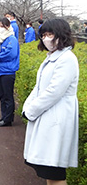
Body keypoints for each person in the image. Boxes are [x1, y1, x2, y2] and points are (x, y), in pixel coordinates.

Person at [22, 19, 79, 185]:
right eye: (44, 35)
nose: (46, 39)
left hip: (57, 119)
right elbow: (39, 87)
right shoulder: (53, 57)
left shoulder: (67, 59)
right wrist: (28, 107)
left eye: (50, 34)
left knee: (55, 173)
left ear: (61, 35)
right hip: (48, 117)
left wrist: (31, 110)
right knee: (49, 169)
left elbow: (54, 91)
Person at [0, 17, 19, 127]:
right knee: (2, 96)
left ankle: (8, 119)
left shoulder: (12, 39)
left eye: (2, 26)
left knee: (8, 96)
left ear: (8, 26)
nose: (0, 28)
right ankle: (3, 116)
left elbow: (10, 54)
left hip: (8, 71)